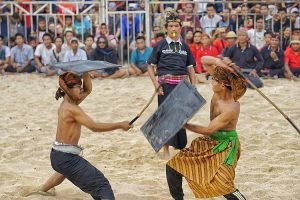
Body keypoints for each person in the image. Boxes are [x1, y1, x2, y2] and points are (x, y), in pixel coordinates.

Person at [25, 71, 131, 199]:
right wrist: (120, 125)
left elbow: (88, 89)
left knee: (64, 172)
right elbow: (94, 127)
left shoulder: (69, 104)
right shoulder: (72, 109)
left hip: (57, 156)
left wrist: (85, 72)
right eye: (78, 87)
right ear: (69, 90)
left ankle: (43, 189)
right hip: (65, 158)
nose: (81, 89)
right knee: (102, 184)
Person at [166, 55, 247, 200]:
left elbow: (209, 130)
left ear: (223, 85)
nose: (211, 81)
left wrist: (184, 124)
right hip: (210, 142)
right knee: (173, 167)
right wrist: (220, 62)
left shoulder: (231, 107)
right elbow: (203, 60)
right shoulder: (219, 92)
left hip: (225, 145)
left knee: (224, 185)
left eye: (214, 80)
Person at [147, 11, 196, 159]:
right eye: (171, 26)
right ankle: (166, 150)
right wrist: (156, 84)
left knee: (181, 116)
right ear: (166, 29)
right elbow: (150, 66)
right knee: (165, 117)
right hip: (165, 85)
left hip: (182, 86)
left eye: (176, 26)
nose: (174, 28)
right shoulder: (160, 45)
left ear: (180, 28)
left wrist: (193, 87)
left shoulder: (185, 47)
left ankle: (180, 147)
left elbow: (191, 68)